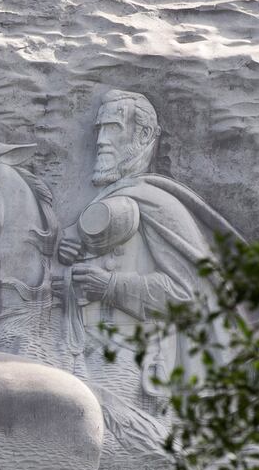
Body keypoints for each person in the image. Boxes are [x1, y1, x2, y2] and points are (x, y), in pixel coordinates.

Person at [57, 89, 241, 402]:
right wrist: (65, 263)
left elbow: (190, 296)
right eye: (99, 129)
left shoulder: (159, 205)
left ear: (143, 135)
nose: (101, 140)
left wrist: (111, 286)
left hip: (135, 365)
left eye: (113, 128)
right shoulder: (106, 203)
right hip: (78, 351)